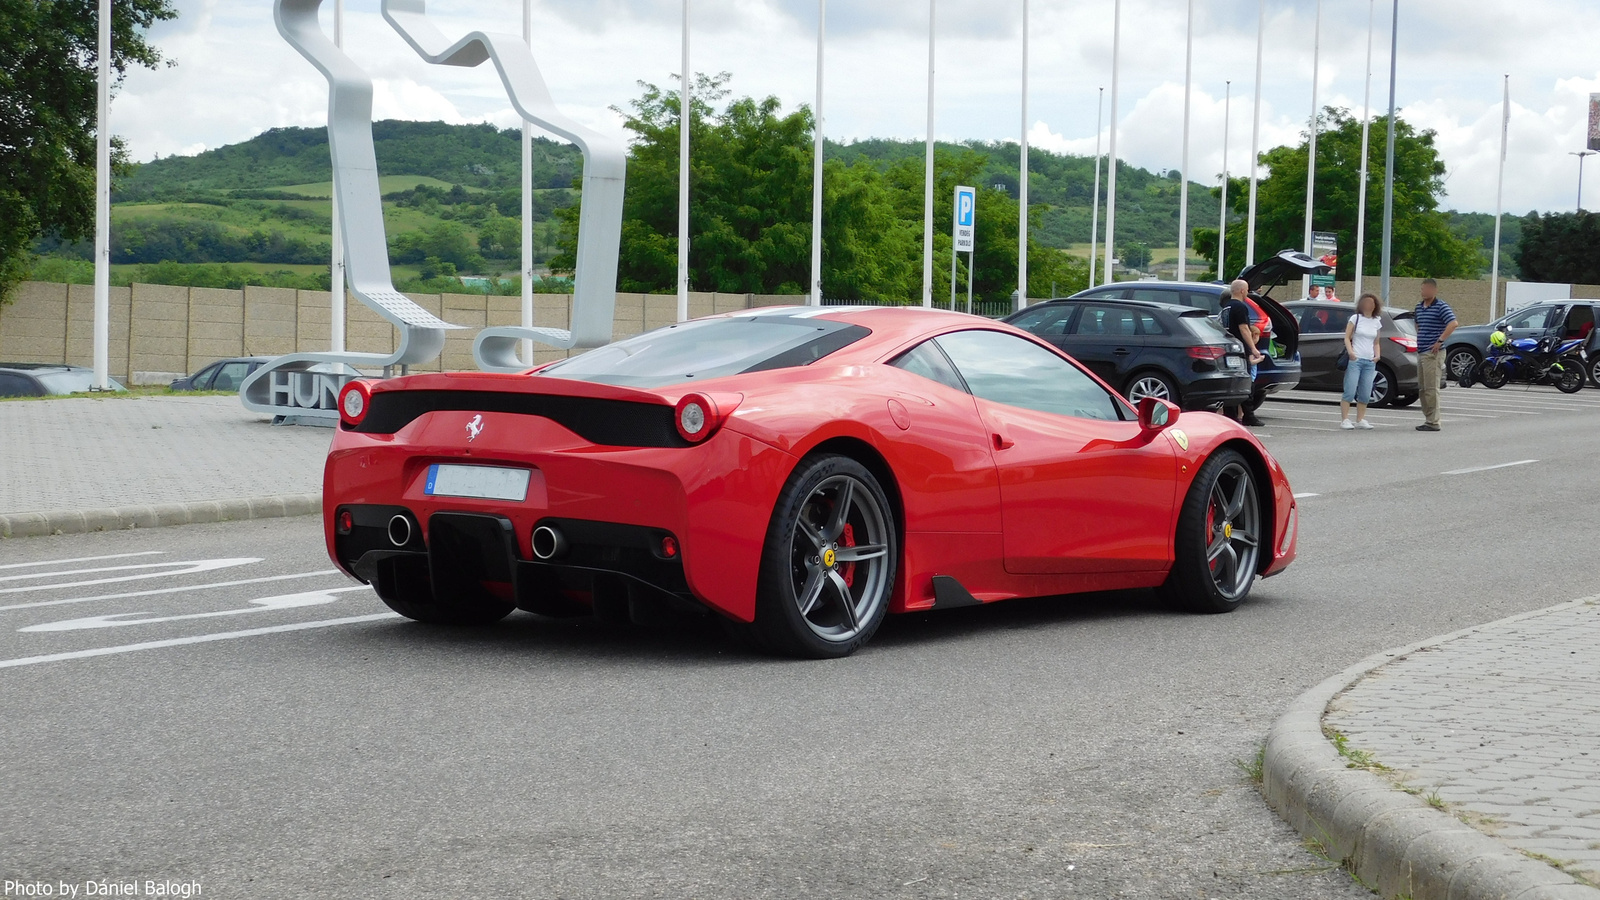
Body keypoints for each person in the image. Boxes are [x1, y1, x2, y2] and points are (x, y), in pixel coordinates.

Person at [1413, 278, 1458, 432]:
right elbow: (1417, 323)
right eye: (1422, 289)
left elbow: (1453, 323)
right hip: (1421, 351)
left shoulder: (1441, 306)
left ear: (1434, 290)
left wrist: (1440, 340)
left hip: (1433, 353)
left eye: (1426, 289)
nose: (1423, 292)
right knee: (1423, 388)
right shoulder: (1419, 307)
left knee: (1432, 387)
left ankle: (1434, 421)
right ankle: (1428, 418)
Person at [1220, 280, 1265, 426]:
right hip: (1240, 350)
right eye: (1246, 290)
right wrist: (1253, 348)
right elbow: (1244, 329)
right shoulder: (1240, 307)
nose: (1247, 293)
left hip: (1229, 349)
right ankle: (1249, 415)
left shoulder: (1226, 307)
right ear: (1241, 291)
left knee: (1231, 383)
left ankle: (1230, 415)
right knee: (1246, 383)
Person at [1340, 292, 1384, 430]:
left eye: (1371, 303)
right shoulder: (1355, 318)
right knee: (1350, 390)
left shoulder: (1376, 321)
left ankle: (1360, 419)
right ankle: (1345, 419)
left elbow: (1376, 342)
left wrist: (1377, 356)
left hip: (1369, 361)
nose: (1368, 305)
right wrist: (1351, 353)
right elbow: (1347, 337)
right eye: (1366, 302)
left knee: (1365, 392)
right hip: (1356, 359)